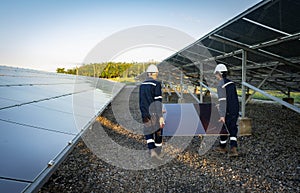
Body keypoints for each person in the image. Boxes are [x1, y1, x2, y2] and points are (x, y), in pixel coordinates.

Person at [139, 64, 165, 159]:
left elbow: (142, 101)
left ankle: (152, 151)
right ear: (155, 73)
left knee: (148, 131)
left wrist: (143, 112)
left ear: (148, 73)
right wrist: (161, 116)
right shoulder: (156, 84)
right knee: (158, 131)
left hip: (145, 113)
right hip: (154, 113)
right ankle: (158, 153)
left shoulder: (142, 85)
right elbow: (157, 101)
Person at [214, 64, 239, 157]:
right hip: (235, 108)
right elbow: (231, 98)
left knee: (223, 127)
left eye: (216, 74)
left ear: (218, 74)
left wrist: (222, 115)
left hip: (227, 110)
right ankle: (233, 148)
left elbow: (223, 100)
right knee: (233, 127)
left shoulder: (221, 85)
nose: (215, 76)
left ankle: (222, 147)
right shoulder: (231, 83)